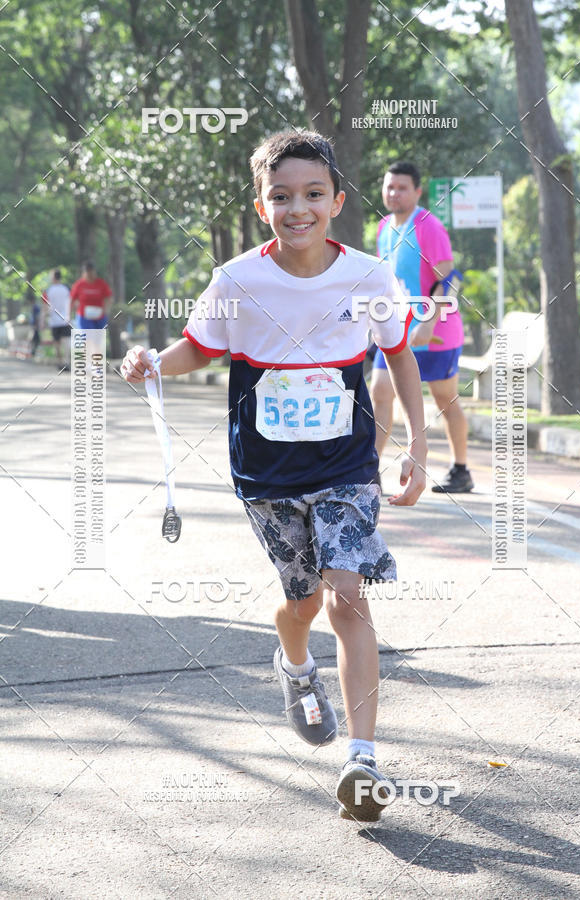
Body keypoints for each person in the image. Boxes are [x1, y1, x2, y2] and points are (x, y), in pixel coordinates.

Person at [121, 131, 428, 821]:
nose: (299, 208)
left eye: (313, 195)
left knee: (348, 597)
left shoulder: (369, 276)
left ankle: (364, 760)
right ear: (262, 207)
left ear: (337, 202)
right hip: (267, 470)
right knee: (303, 603)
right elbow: (199, 347)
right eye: (282, 196)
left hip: (348, 464)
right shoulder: (238, 280)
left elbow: (400, 357)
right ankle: (295, 666)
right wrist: (150, 361)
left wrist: (417, 443)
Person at [371, 161, 474, 494]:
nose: (394, 193)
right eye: (389, 187)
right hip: (396, 331)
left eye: (402, 187)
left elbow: (450, 279)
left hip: (436, 331)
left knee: (445, 400)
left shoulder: (427, 225)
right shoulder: (384, 226)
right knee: (380, 393)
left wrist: (428, 321)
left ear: (416, 191)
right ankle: (368, 471)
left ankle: (461, 470)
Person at [42, 269, 72, 371]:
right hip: (66, 319)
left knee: (57, 343)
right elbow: (72, 303)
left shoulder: (48, 291)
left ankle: (60, 362)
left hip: (54, 321)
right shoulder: (67, 289)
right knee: (67, 342)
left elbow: (45, 307)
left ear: (53, 277)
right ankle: (66, 362)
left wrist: (43, 320)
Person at [70, 261, 112, 329]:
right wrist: (69, 315)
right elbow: (72, 299)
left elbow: (108, 298)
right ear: (84, 273)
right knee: (87, 337)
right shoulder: (79, 285)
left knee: (98, 338)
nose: (90, 274)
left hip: (99, 316)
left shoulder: (101, 283)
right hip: (84, 316)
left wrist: (106, 310)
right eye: (88, 272)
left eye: (92, 272)